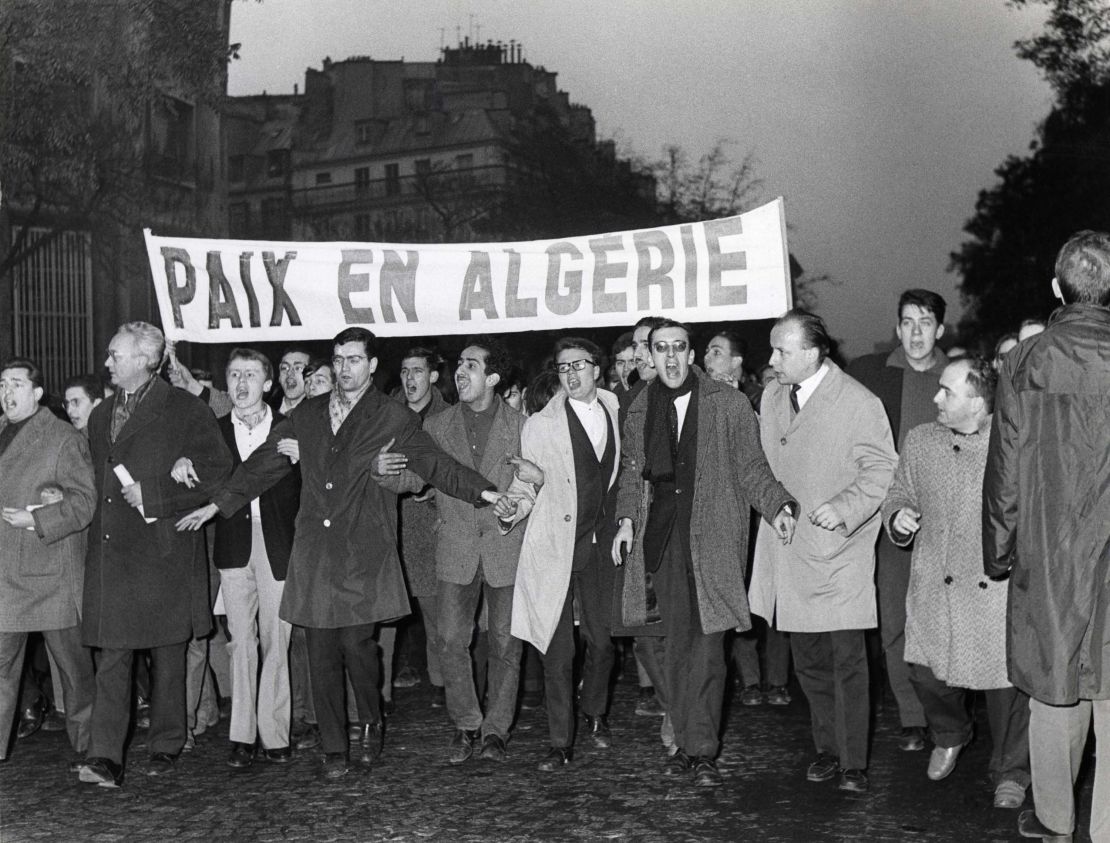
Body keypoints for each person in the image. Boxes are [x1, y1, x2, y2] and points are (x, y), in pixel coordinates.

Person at [181, 327, 498, 781]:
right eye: (338, 359)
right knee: (321, 650)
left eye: (353, 360)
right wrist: (218, 502)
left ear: (371, 366)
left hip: (363, 552)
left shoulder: (392, 417)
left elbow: (437, 465)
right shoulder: (307, 414)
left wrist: (485, 492)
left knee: (358, 646)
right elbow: (263, 464)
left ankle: (370, 721)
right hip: (315, 553)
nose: (344, 368)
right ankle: (334, 746)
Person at [612, 319, 797, 787]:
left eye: (679, 348)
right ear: (649, 357)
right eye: (661, 349)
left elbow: (752, 468)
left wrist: (777, 506)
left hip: (712, 537)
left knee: (710, 647)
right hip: (660, 538)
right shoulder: (637, 410)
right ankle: (687, 736)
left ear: (691, 354)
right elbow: (632, 474)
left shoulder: (728, 404)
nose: (670, 358)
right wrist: (627, 521)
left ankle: (701, 750)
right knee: (667, 644)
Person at [983, 230, 1110, 843]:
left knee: (1055, 691)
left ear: (1058, 288)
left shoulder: (1026, 361)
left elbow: (1005, 469)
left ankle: (1057, 820)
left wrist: (999, 551)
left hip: (1048, 549)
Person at [77, 322, 233, 788]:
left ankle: (167, 741)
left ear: (147, 360)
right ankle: (105, 756)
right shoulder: (102, 414)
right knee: (112, 657)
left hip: (162, 551)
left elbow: (217, 471)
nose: (107, 363)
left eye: (115, 355)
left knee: (168, 654)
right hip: (113, 555)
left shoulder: (185, 409)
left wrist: (159, 494)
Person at [751, 309, 897, 794]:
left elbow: (881, 470)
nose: (771, 360)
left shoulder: (859, 401)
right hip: (789, 547)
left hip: (839, 553)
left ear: (812, 353)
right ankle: (827, 750)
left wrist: (846, 505)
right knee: (808, 661)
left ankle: (854, 761)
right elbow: (760, 466)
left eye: (782, 351)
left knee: (847, 663)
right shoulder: (772, 398)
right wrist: (773, 507)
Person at [881, 357, 1029, 808]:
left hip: (994, 588)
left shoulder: (1015, 445)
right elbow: (898, 492)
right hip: (935, 588)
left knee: (1007, 691)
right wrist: (898, 517)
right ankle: (951, 732)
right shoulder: (922, 440)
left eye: (947, 391)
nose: (935, 398)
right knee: (926, 676)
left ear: (979, 401)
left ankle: (1011, 772)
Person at [173, 349, 301, 770]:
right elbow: (190, 461)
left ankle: (275, 731)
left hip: (280, 544)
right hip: (233, 544)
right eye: (234, 375)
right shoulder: (212, 430)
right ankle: (243, 734)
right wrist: (182, 459)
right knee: (240, 642)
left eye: (250, 375)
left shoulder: (290, 430)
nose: (241, 383)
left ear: (269, 384)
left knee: (276, 640)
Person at [498, 337, 620, 772]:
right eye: (562, 367)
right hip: (555, 547)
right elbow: (526, 483)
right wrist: (514, 504)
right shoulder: (540, 425)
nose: (570, 374)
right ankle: (559, 742)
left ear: (597, 369)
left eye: (579, 365)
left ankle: (595, 710)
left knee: (602, 643)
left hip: (603, 548)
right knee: (557, 649)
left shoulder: (618, 411)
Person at [413, 336, 525, 765]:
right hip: (456, 547)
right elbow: (418, 478)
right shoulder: (437, 427)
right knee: (450, 640)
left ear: (493, 377)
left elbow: (536, 484)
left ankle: (496, 730)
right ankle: (466, 724)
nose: (461, 371)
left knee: (505, 645)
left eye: (471, 365)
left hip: (504, 549)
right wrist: (386, 472)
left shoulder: (521, 426)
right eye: (459, 363)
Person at [847, 289, 949, 753]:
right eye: (907, 322)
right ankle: (911, 715)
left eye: (925, 322)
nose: (915, 333)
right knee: (893, 618)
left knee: (944, 621)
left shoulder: (960, 378)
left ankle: (945, 713)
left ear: (940, 329)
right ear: (897, 326)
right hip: (891, 520)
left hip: (950, 523)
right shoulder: (870, 375)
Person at [0, 358, 96, 766]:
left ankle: (93, 750)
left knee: (74, 673)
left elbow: (84, 503)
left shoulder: (61, 438)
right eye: (2, 384)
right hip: (7, 574)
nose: (7, 392)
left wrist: (36, 519)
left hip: (51, 572)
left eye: (16, 384)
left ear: (37, 393)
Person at [703, 330, 792, 705]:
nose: (709, 356)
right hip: (724, 513)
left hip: (763, 510)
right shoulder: (699, 397)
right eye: (707, 350)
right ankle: (750, 680)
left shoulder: (763, 397)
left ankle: (778, 680)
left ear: (738, 361)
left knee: (769, 595)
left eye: (718, 351)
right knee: (733, 595)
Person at [391, 347, 451, 705]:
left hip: (430, 531)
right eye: (404, 371)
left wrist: (436, 493)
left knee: (438, 616)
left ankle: (443, 684)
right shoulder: (385, 414)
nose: (409, 379)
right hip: (391, 526)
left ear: (431, 376)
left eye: (417, 371)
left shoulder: (448, 417)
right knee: (386, 616)